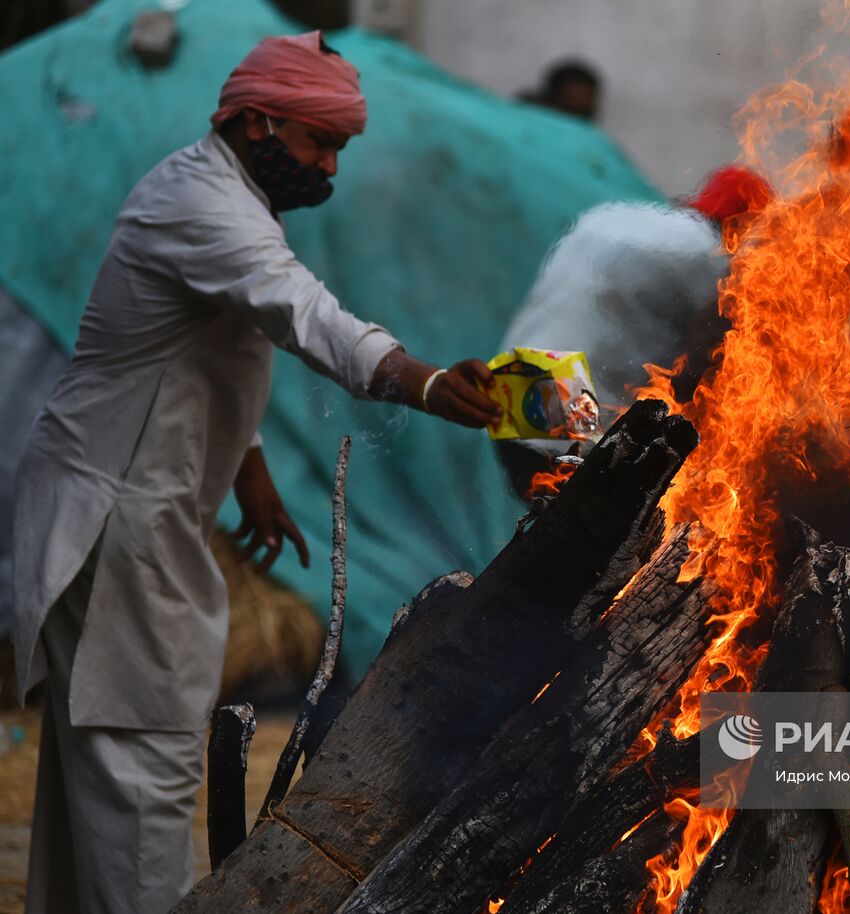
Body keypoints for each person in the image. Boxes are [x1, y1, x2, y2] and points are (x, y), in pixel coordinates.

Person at [12, 31, 501, 914]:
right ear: (256, 123)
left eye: (337, 150)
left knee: (107, 760)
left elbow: (205, 350)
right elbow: (301, 315)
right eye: (320, 144)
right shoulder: (204, 206)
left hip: (140, 502)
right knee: (141, 761)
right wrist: (423, 381)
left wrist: (250, 470)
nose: (329, 168)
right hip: (117, 510)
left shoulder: (226, 196)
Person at [495, 165, 772, 496]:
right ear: (740, 228)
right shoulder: (708, 259)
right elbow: (711, 361)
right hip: (572, 408)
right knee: (582, 530)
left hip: (510, 387)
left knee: (545, 523)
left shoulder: (615, 217)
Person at [521, 59, 603, 122]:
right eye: (572, 97)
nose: (584, 103)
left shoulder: (590, 137)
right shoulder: (524, 117)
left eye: (588, 98)